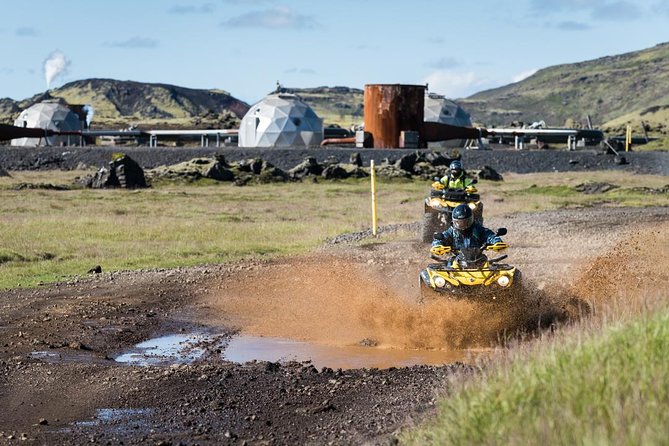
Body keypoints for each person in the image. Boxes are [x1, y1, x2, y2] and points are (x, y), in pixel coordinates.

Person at [431, 204, 506, 257]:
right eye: (459, 223)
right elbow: (441, 237)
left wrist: (497, 242)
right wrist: (437, 245)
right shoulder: (452, 231)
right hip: (457, 259)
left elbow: (490, 236)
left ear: (472, 219)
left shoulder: (478, 229)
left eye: (466, 222)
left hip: (478, 258)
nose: (463, 225)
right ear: (454, 222)